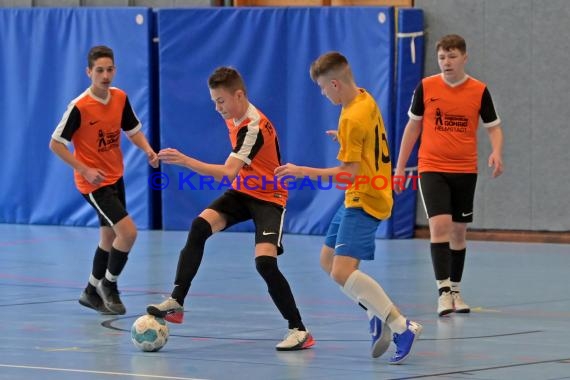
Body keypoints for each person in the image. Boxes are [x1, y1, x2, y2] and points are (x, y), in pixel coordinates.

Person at [146, 67, 315, 351]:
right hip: (242, 191)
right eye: (213, 101)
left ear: (239, 95)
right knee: (200, 226)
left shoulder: (253, 126)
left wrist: (185, 161)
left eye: (221, 101)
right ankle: (176, 302)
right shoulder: (234, 115)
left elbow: (227, 173)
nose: (217, 108)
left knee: (265, 263)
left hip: (269, 197)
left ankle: (299, 330)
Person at [274, 52, 422, 364]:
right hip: (359, 194)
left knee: (343, 271)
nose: (322, 93)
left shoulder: (350, 116)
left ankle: (401, 326)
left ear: (336, 84)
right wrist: (343, 138)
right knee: (328, 261)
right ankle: (375, 313)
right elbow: (365, 140)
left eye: (323, 88)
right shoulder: (364, 98)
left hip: (365, 197)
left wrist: (303, 171)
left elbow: (347, 174)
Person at [394, 34, 504, 317]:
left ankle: (456, 289)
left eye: (452, 57)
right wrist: (400, 166)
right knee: (439, 226)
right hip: (431, 167)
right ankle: (443, 291)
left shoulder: (479, 90)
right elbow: (413, 128)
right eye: (442, 57)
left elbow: (493, 126)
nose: (446, 62)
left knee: (458, 232)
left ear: (464, 58)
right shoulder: (426, 87)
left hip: (465, 169)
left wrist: (496, 151)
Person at [50, 45, 159, 315]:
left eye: (110, 69)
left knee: (108, 237)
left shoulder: (120, 98)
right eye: (99, 70)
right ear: (89, 72)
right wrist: (84, 169)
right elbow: (56, 144)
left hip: (115, 176)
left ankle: (89, 291)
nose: (105, 75)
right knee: (128, 233)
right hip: (94, 183)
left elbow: (132, 130)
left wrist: (147, 149)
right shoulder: (80, 107)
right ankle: (109, 285)